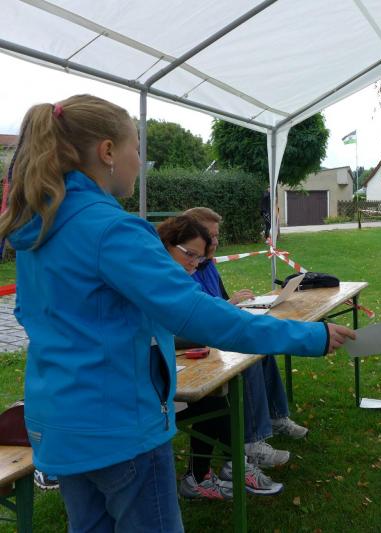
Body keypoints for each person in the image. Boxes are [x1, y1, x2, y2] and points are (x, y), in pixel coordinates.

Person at [2, 94, 355, 531]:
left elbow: (35, 315)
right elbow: (199, 315)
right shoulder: (112, 230)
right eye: (136, 148)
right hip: (120, 428)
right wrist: (309, 335)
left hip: (58, 425)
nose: (139, 161)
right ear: (107, 152)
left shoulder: (38, 229)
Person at [157, 215, 282, 499]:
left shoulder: (180, 275)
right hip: (144, 396)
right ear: (166, 245)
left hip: (161, 377)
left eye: (199, 257)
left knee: (219, 396)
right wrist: (206, 331)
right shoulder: (155, 283)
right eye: (190, 254)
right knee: (217, 400)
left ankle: (218, 469)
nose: (195, 263)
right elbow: (168, 331)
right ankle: (230, 464)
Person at [183, 206, 306, 471]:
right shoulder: (186, 268)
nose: (215, 241)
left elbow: (219, 303)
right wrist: (231, 305)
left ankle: (276, 417)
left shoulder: (207, 265)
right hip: (198, 345)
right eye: (210, 236)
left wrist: (239, 305)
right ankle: (252, 442)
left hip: (216, 334)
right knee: (247, 360)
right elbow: (197, 314)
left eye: (217, 235)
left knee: (263, 349)